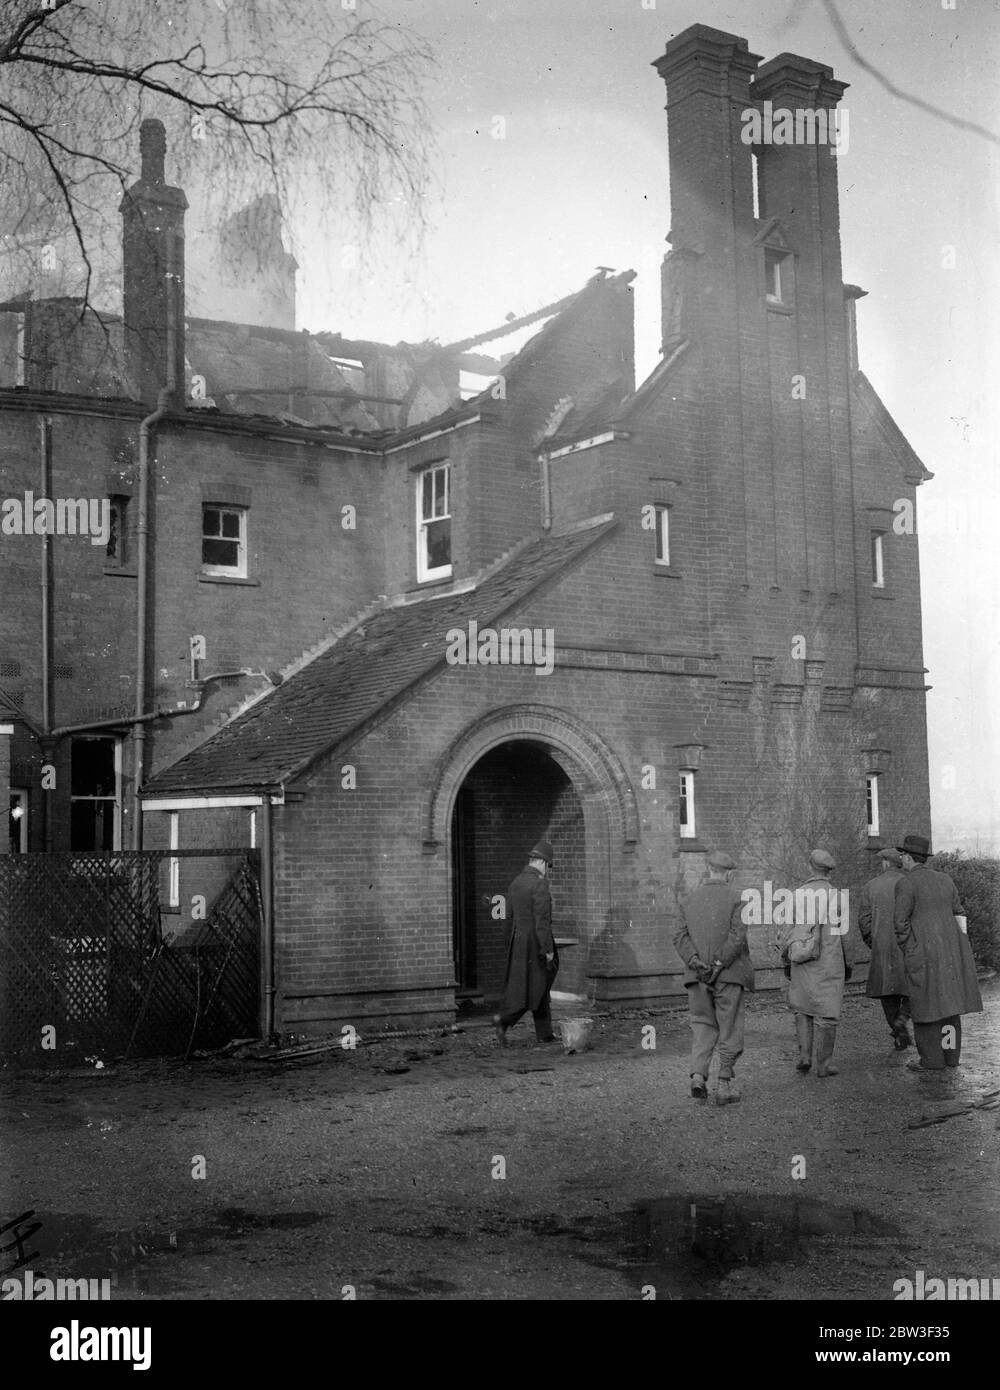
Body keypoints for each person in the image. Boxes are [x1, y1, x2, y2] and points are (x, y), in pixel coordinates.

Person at [893, 833, 982, 1072]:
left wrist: (911, 950)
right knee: (950, 1007)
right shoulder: (945, 880)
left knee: (925, 1007)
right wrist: (958, 945)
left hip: (922, 954)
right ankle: (950, 1058)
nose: (901, 859)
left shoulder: (906, 883)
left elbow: (900, 924)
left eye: (902, 855)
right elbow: (959, 914)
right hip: (950, 954)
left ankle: (932, 1062)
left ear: (908, 858)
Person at [672, 850, 754, 1105]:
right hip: (729, 975)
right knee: (730, 1028)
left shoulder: (688, 900)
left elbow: (679, 936)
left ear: (708, 870)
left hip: (697, 976)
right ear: (728, 873)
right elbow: (736, 937)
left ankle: (698, 1077)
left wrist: (696, 962)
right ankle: (724, 1085)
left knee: (702, 1026)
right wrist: (718, 963)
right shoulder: (738, 899)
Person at [782, 849, 852, 1078]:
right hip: (829, 961)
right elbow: (844, 934)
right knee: (827, 1012)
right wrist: (848, 961)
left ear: (810, 867)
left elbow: (787, 929)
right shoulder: (836, 896)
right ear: (828, 871)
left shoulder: (797, 894)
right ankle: (823, 1064)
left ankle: (804, 1056)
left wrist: (786, 957)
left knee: (803, 1008)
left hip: (802, 959)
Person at [494, 840, 559, 1047]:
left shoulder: (516, 883)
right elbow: (542, 922)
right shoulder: (539, 884)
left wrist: (511, 946)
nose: (547, 870)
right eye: (548, 865)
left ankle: (545, 1032)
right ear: (541, 862)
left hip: (519, 944)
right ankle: (503, 1021)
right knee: (538, 985)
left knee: (536, 985)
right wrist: (548, 950)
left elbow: (508, 920)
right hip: (536, 944)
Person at [858, 847, 912, 1051]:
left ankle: (897, 1031)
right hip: (907, 945)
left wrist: (874, 942)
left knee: (887, 992)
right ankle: (902, 1020)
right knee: (913, 986)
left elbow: (864, 920)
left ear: (887, 863)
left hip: (882, 948)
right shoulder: (909, 882)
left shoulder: (871, 886)